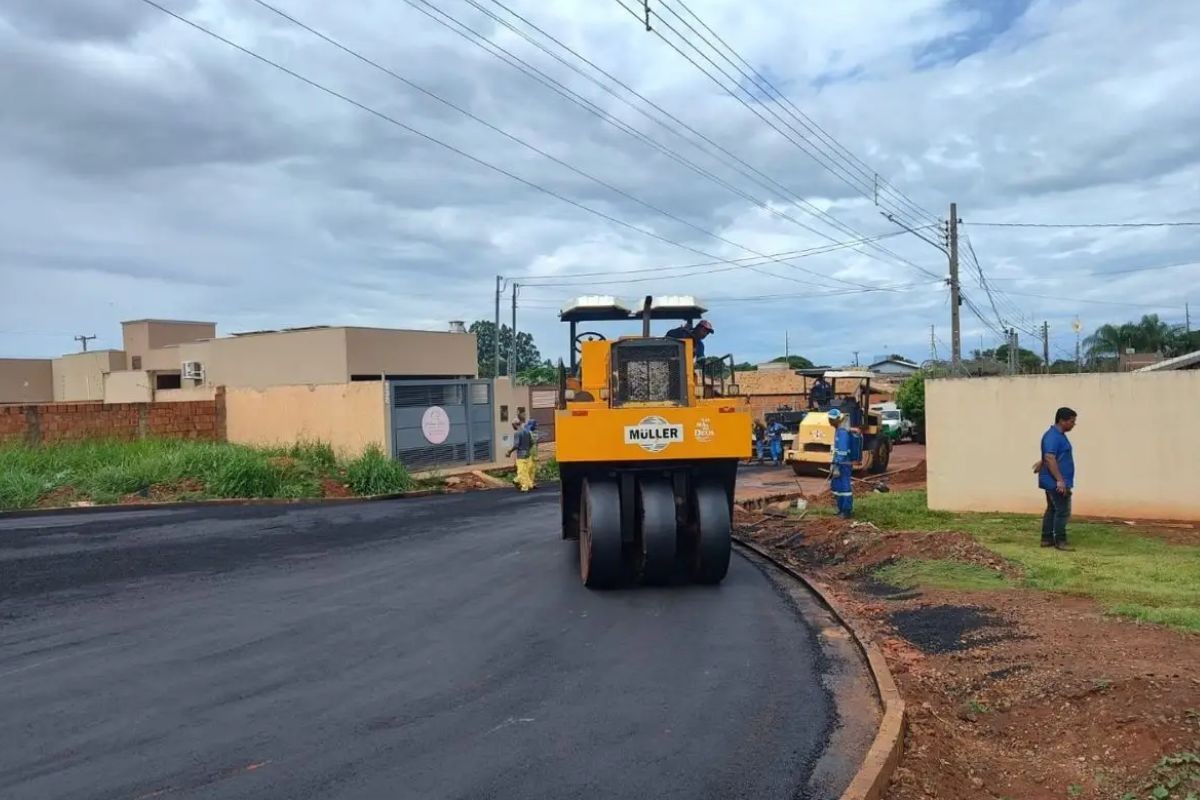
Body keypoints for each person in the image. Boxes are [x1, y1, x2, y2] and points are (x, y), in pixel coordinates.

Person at [1033, 407, 1077, 550]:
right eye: (1071, 421)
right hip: (1055, 482)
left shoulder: (1057, 435)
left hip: (1051, 480)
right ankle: (1060, 541)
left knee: (1052, 509)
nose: (1073, 425)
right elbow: (1050, 457)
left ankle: (1046, 539)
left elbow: (1049, 455)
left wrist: (1042, 461)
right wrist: (1060, 480)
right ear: (1062, 420)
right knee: (1062, 511)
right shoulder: (1053, 436)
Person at [828, 408, 854, 518]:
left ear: (837, 420)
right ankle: (841, 509)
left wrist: (837, 464)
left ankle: (846, 511)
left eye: (831, 419)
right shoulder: (838, 430)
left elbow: (842, 451)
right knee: (837, 487)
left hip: (843, 465)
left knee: (845, 488)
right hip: (838, 463)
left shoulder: (842, 432)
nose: (830, 421)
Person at [506, 418, 536, 492]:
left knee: (521, 472)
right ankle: (529, 484)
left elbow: (516, 445)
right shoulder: (527, 431)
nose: (512, 427)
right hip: (528, 454)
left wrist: (509, 451)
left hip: (521, 455)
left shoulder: (517, 433)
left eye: (512, 425)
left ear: (515, 425)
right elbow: (532, 442)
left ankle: (524, 487)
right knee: (526, 471)